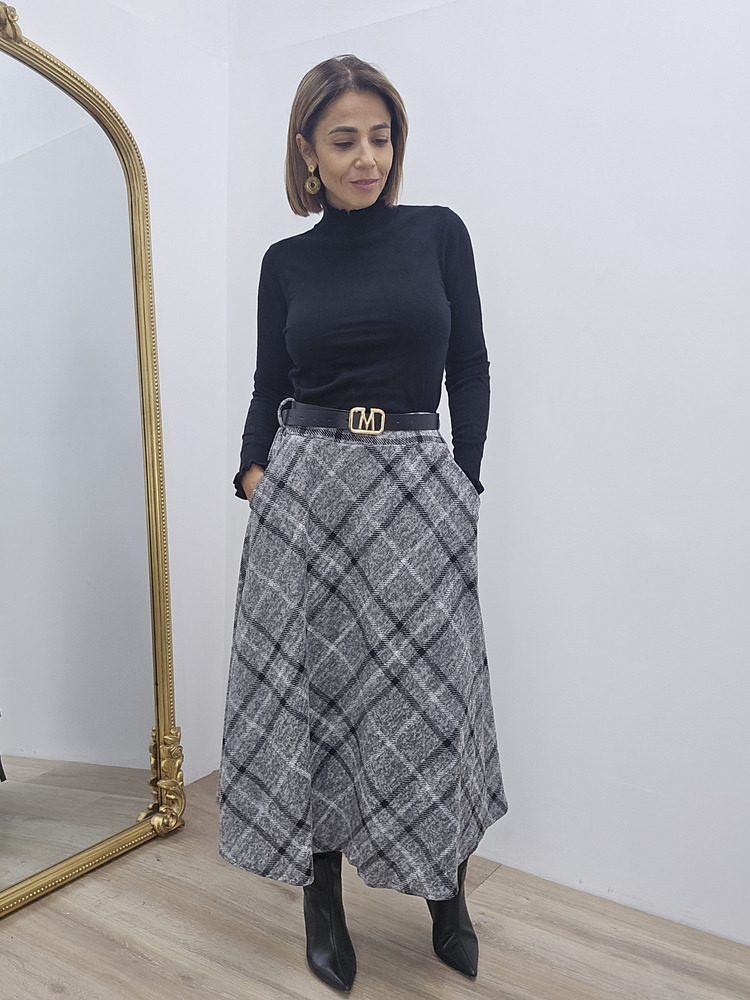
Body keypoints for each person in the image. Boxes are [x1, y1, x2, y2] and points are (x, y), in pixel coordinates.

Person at [218, 54, 507, 993]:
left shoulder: (439, 234)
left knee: (430, 704)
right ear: (307, 150)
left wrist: (463, 482)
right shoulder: (286, 263)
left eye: (381, 138)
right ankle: (322, 900)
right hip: (307, 498)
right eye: (344, 140)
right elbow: (268, 384)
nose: (366, 158)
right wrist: (254, 475)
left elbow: (470, 365)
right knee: (319, 706)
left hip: (416, 490)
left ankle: (446, 897)